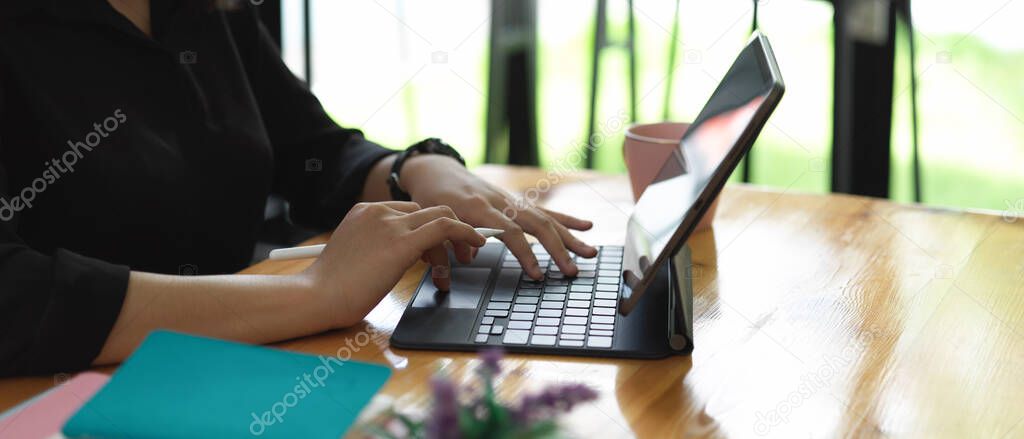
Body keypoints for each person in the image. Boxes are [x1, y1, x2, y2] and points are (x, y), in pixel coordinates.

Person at [0, 0, 596, 376]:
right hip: (67, 394)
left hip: (238, 368)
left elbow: (310, 150)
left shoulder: (210, 11)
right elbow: (15, 294)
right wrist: (315, 293)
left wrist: (414, 169)